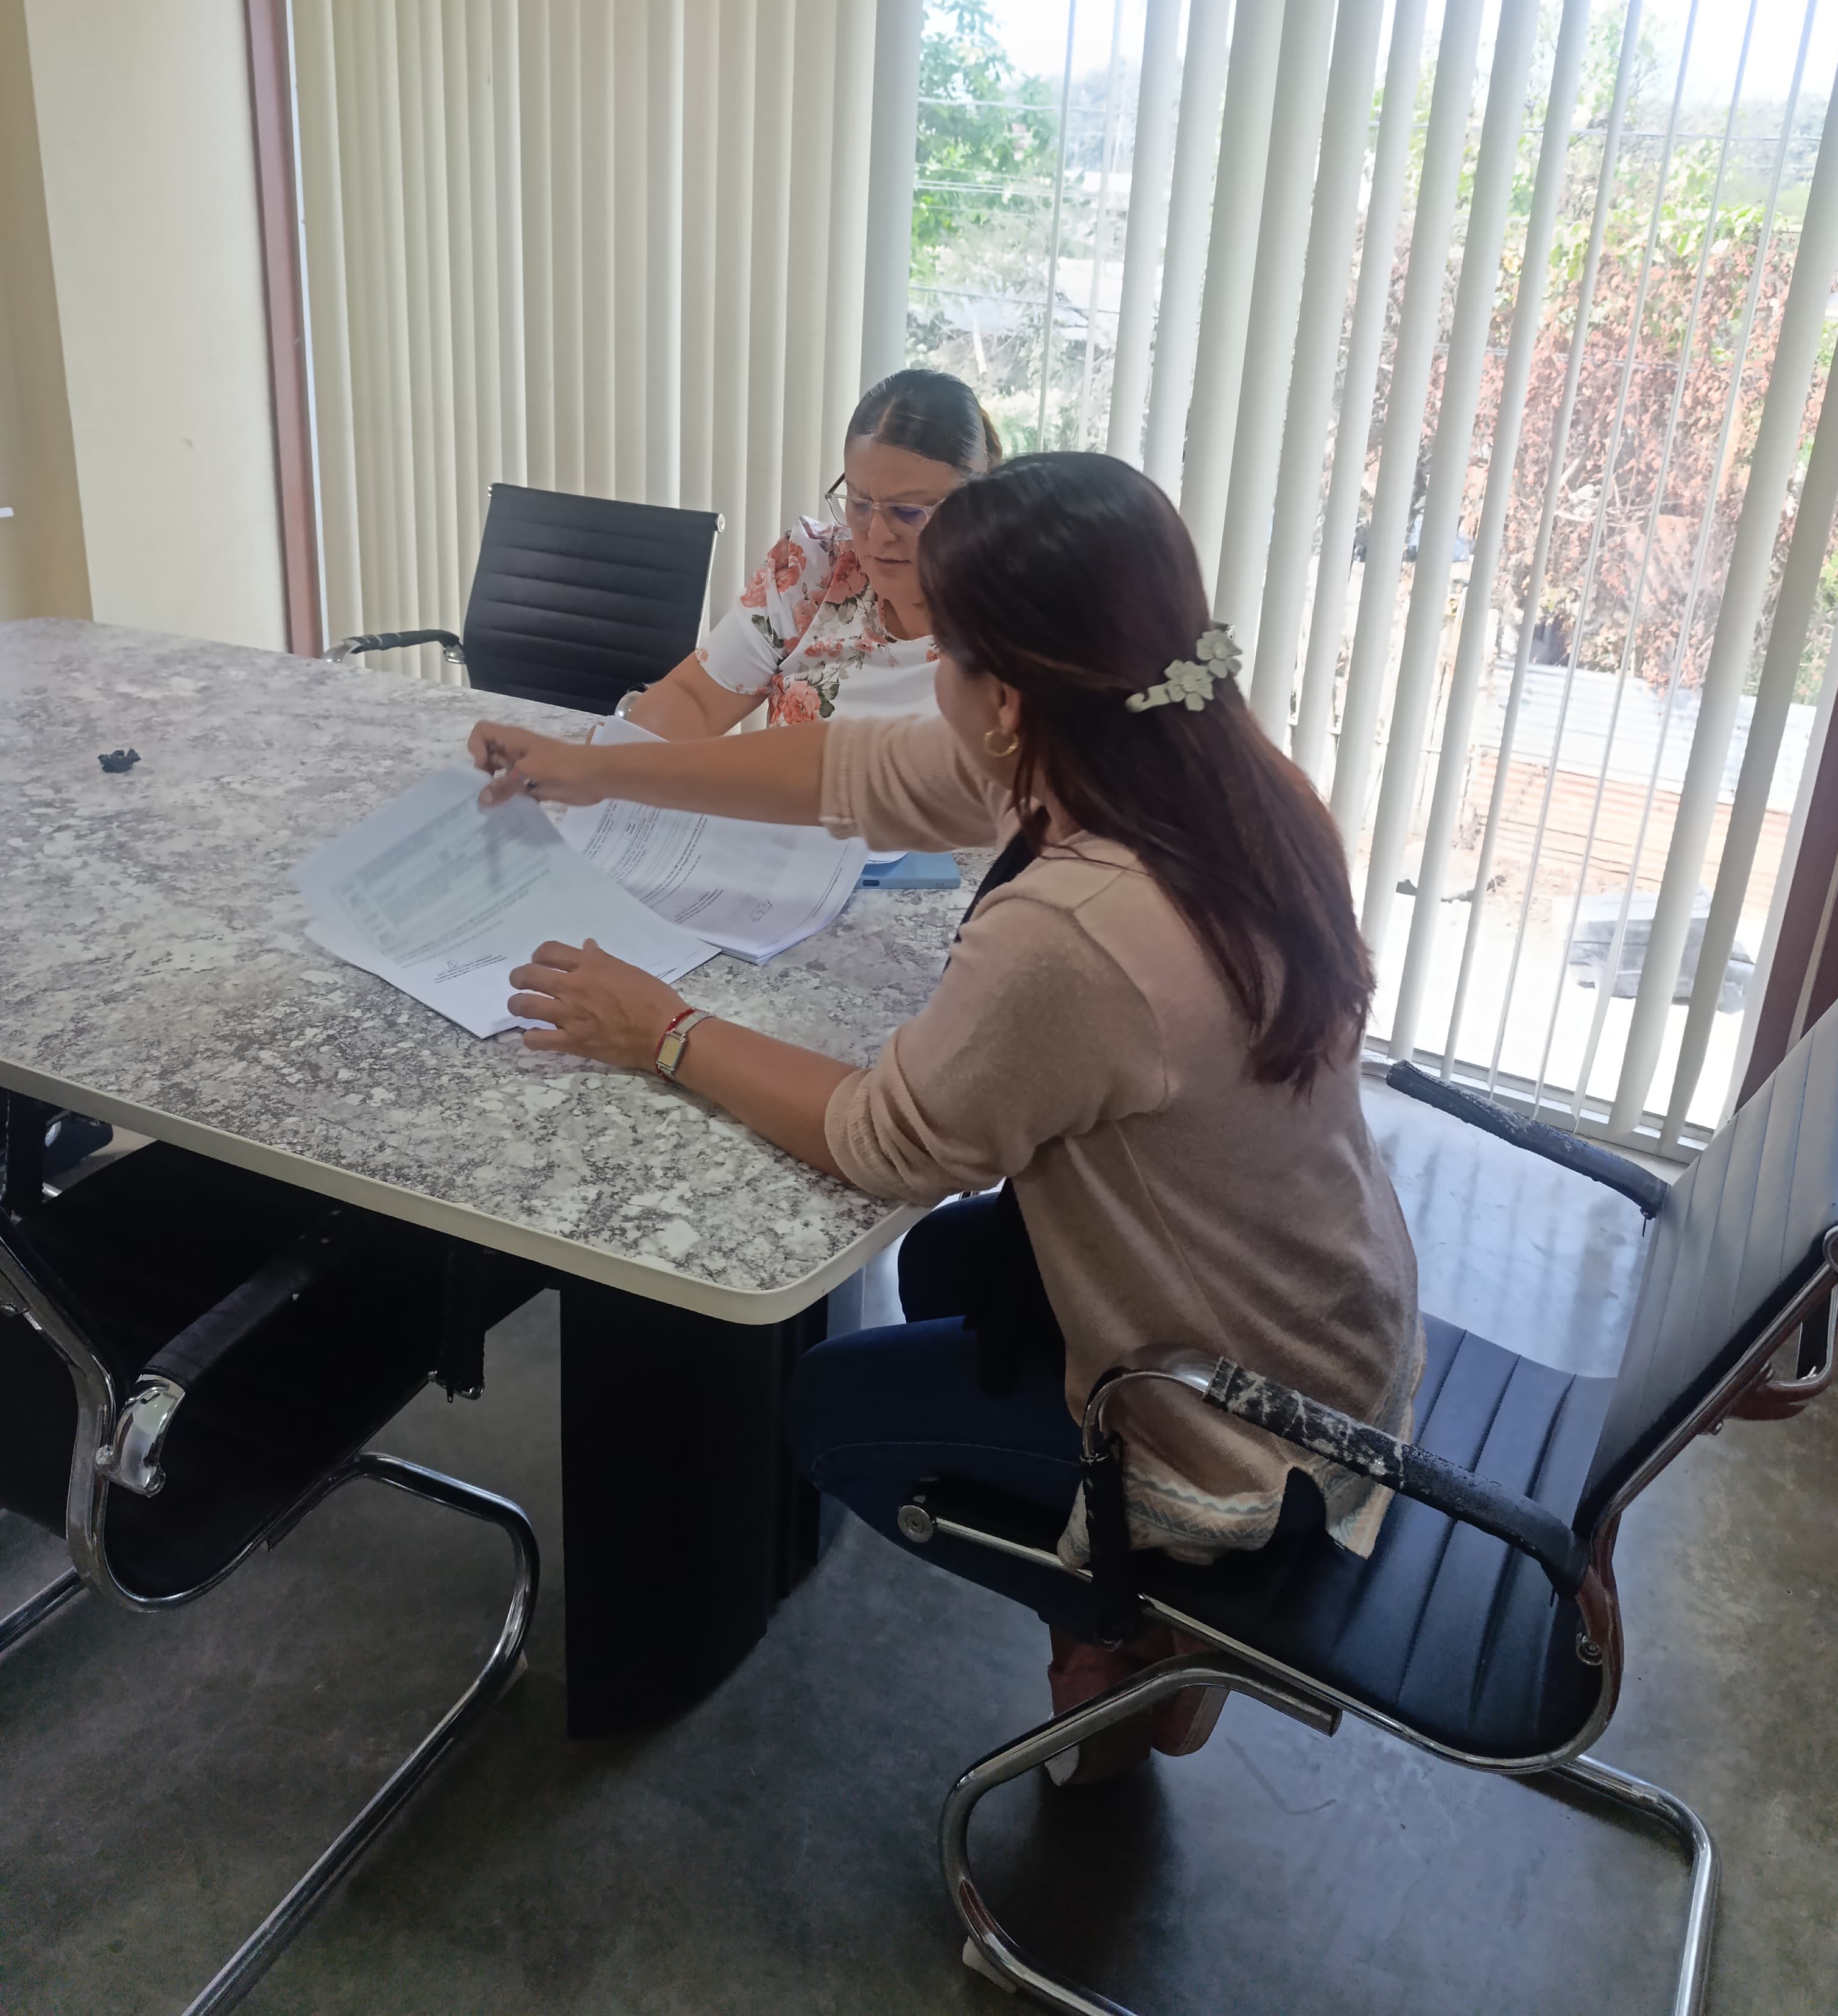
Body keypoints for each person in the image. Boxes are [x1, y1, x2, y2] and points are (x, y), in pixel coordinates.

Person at [468, 452, 1421, 1783]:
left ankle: (1144, 1623)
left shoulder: (1079, 923)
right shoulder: (1209, 773)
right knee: (948, 1268)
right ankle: (1123, 1624)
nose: (925, 674)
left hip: (1240, 1438)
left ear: (1006, 699)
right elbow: (850, 771)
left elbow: (885, 1139)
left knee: (833, 1412)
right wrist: (600, 767)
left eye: (941, 654)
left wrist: (662, 1030)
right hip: (1335, 1330)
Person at [622, 367, 1001, 735]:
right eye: (860, 503)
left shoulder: (1012, 621)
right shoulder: (814, 570)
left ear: (975, 502)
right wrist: (621, 748)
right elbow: (697, 700)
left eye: (908, 512)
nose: (877, 534)